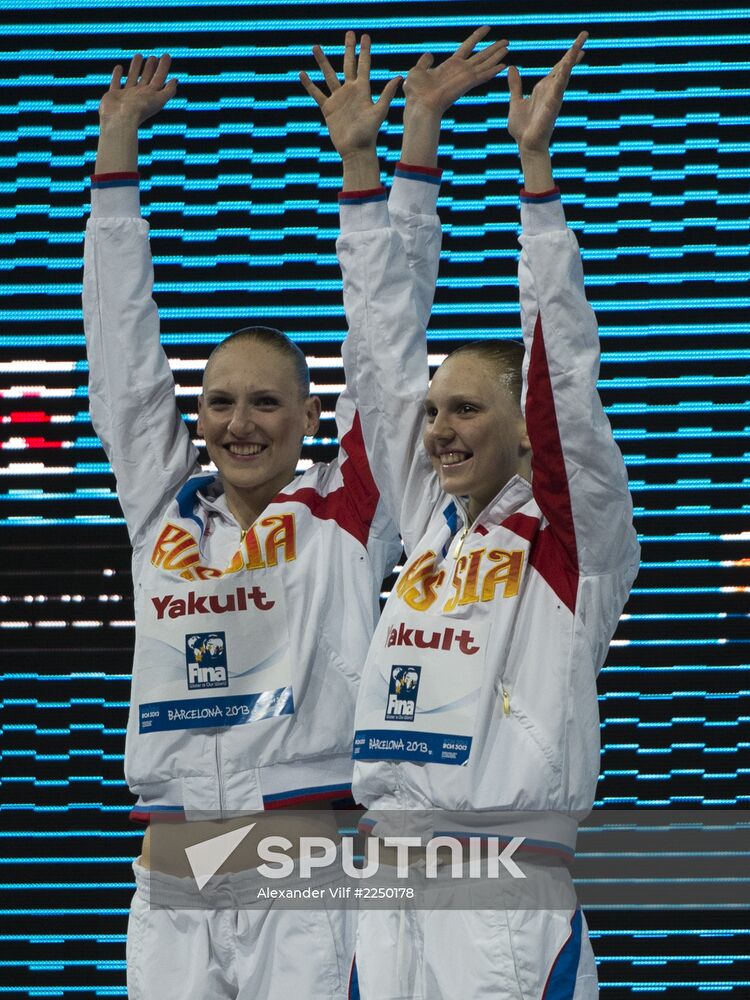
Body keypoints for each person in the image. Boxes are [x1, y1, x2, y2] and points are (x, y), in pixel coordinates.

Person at [84, 36, 506, 999]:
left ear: (313, 418)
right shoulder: (163, 515)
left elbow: (388, 336)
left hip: (302, 888)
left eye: (268, 403)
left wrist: (384, 159)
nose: (240, 423)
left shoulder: (347, 512)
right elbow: (123, 359)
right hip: (173, 888)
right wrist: (117, 153)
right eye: (221, 401)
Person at [306, 30, 640, 999]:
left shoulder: (570, 541)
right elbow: (378, 348)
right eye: (434, 410)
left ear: (519, 429)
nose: (438, 430)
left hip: (503, 901)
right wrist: (368, 166)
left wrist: (535, 178)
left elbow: (564, 382)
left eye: (465, 408)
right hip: (389, 898)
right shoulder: (430, 529)